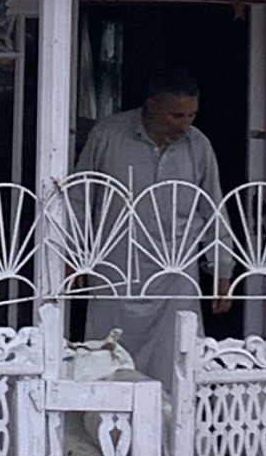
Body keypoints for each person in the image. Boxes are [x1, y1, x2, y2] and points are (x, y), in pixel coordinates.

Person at [71, 71, 224, 386]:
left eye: (191, 115)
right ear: (151, 106)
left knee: (178, 355)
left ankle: (174, 430)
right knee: (108, 353)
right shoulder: (108, 135)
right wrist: (74, 257)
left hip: (176, 272)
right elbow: (79, 199)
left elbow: (213, 211)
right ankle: (104, 427)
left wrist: (223, 272)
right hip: (116, 267)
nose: (184, 124)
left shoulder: (198, 145)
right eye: (176, 114)